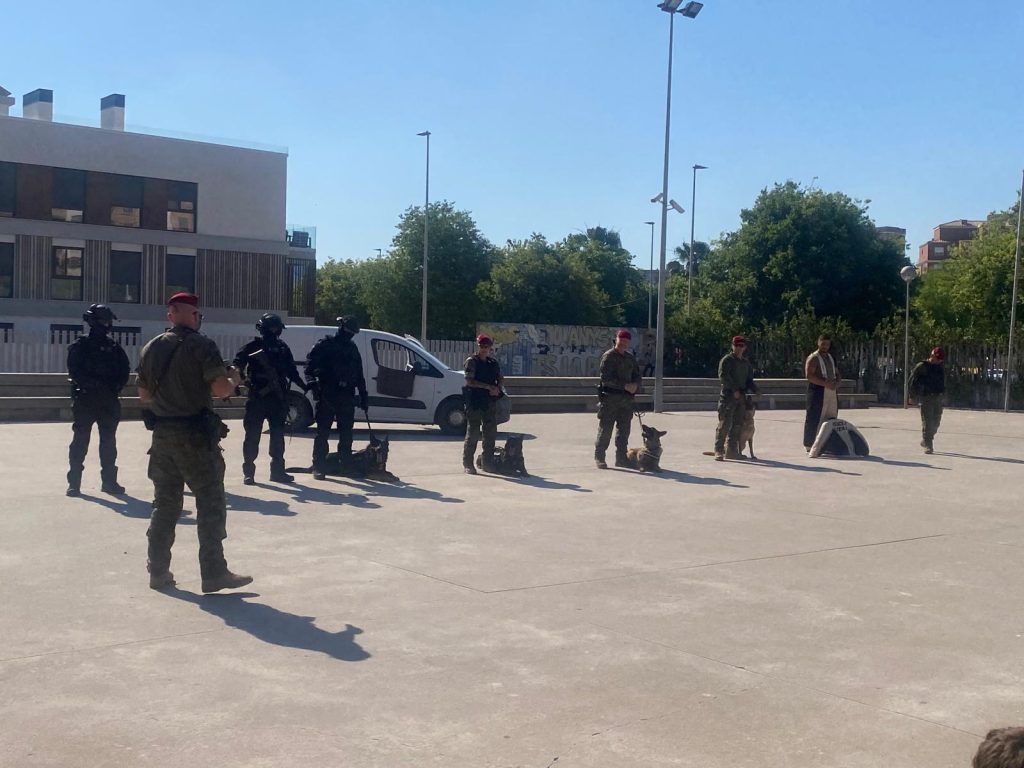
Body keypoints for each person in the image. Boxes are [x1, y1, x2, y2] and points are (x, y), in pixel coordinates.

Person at [136, 292, 251, 593]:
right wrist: (235, 378)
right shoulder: (202, 346)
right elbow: (220, 389)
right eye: (197, 314)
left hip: (162, 437)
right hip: (194, 437)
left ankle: (158, 571)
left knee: (165, 505)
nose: (199, 319)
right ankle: (213, 573)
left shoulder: (151, 347)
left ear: (170, 316)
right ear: (189, 314)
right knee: (210, 502)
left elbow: (144, 395)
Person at [233, 313, 307, 484]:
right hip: (257, 397)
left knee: (277, 436)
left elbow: (292, 372)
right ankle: (249, 472)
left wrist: (305, 386)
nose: (275, 331)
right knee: (252, 436)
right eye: (273, 328)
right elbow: (237, 365)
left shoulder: (282, 348)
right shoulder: (253, 346)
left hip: (277, 399)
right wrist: (240, 380)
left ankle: (278, 471)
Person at [66, 304, 131, 497]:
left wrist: (114, 387)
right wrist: (91, 385)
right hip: (86, 399)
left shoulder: (113, 347)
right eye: (104, 321)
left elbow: (124, 370)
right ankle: (74, 483)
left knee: (108, 443)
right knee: (80, 441)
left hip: (108, 400)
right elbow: (74, 371)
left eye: (108, 321)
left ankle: (109, 482)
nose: (107, 325)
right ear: (93, 322)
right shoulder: (81, 346)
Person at [306, 315, 368, 481]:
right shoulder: (325, 345)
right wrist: (313, 385)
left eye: (352, 333)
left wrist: (363, 395)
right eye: (348, 331)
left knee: (346, 433)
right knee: (322, 432)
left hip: (346, 395)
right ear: (341, 328)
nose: (349, 335)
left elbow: (359, 374)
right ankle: (319, 465)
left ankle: (346, 465)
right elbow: (309, 368)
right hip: (328, 394)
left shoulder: (352, 349)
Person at [594, 329, 641, 469]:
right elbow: (606, 379)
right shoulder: (608, 356)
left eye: (626, 341)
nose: (624, 343)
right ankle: (600, 457)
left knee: (624, 431)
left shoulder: (630, 358)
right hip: (610, 399)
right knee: (605, 430)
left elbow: (637, 375)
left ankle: (621, 459)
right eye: (622, 340)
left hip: (626, 401)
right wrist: (625, 386)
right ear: (616, 339)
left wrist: (635, 385)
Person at [462, 334, 504, 474]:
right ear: (478, 346)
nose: (484, 349)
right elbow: (469, 381)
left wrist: (497, 389)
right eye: (482, 346)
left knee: (490, 434)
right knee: (473, 433)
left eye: (487, 346)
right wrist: (488, 387)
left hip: (489, 402)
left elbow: (500, 378)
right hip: (475, 401)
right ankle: (468, 463)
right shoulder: (472, 361)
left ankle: (487, 463)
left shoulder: (493, 363)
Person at [713, 335, 756, 461]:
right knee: (724, 424)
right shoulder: (727, 360)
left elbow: (749, 380)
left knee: (737, 425)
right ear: (732, 346)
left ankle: (731, 451)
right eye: (737, 345)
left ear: (745, 347)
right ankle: (719, 450)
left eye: (742, 346)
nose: (739, 348)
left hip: (741, 397)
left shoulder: (745, 363)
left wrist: (756, 390)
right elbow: (723, 377)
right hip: (728, 397)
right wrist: (734, 390)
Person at [803, 333, 841, 451]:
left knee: (831, 417)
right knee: (815, 417)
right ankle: (810, 444)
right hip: (818, 390)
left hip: (831, 391)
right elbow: (809, 376)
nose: (825, 346)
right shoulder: (813, 358)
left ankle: (826, 443)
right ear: (818, 343)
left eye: (827, 344)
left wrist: (838, 382)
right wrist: (825, 383)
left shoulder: (830, 357)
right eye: (823, 344)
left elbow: (836, 372)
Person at [909, 346, 945, 454]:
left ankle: (926, 439)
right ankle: (928, 444)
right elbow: (912, 381)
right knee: (928, 422)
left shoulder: (939, 367)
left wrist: (944, 395)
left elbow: (942, 382)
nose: (938, 361)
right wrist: (912, 396)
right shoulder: (922, 366)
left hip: (938, 397)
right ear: (932, 355)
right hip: (926, 397)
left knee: (936, 422)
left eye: (940, 360)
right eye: (937, 359)